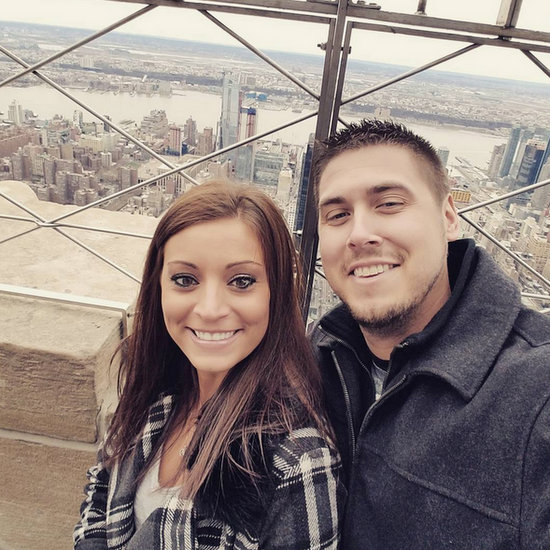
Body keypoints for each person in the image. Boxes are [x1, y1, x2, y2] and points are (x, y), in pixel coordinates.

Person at [309, 119, 550, 549]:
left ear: (448, 218)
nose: (359, 234)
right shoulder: (314, 354)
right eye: (338, 215)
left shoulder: (537, 393)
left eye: (389, 204)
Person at [74, 181, 344, 550]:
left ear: (276, 293)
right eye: (185, 280)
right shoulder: (156, 387)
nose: (210, 309)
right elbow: (103, 483)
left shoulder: (297, 461)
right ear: (159, 287)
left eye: (242, 281)